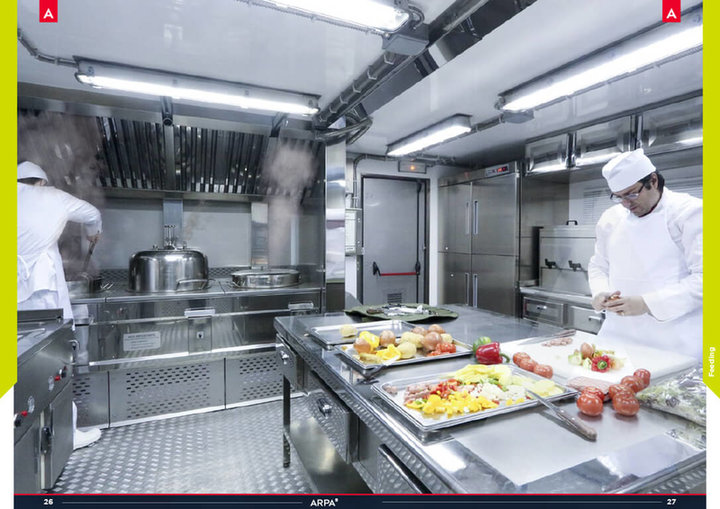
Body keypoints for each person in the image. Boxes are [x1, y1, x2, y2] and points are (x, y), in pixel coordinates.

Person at [17, 160, 104, 449]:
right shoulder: (52, 196)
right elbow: (92, 213)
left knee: (19, 371)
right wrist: (93, 232)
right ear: (41, 182)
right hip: (45, 298)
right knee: (57, 365)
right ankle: (67, 435)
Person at [588, 149, 702, 360]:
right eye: (619, 197)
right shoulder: (611, 218)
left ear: (653, 180)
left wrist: (647, 303)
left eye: (631, 194)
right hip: (618, 337)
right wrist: (600, 292)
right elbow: (598, 266)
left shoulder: (690, 212)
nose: (626, 204)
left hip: (675, 342)